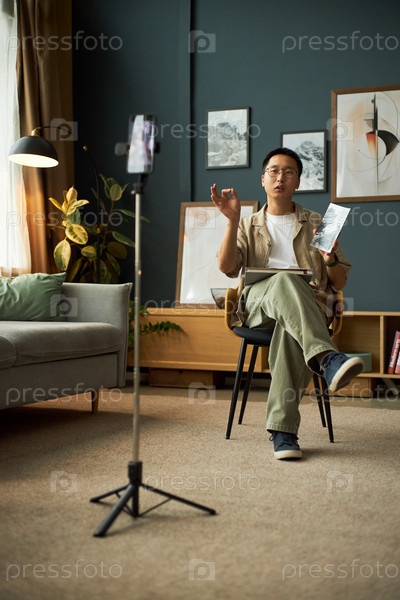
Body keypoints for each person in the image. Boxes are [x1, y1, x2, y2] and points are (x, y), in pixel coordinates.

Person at [210, 147, 363, 460]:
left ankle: (283, 432)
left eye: (289, 172)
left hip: (304, 308)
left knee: (289, 328)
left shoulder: (318, 222)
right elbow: (227, 268)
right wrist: (231, 220)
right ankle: (327, 358)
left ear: (298, 181)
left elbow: (339, 283)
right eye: (274, 171)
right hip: (256, 307)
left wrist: (329, 259)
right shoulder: (247, 223)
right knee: (282, 281)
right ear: (263, 179)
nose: (280, 177)